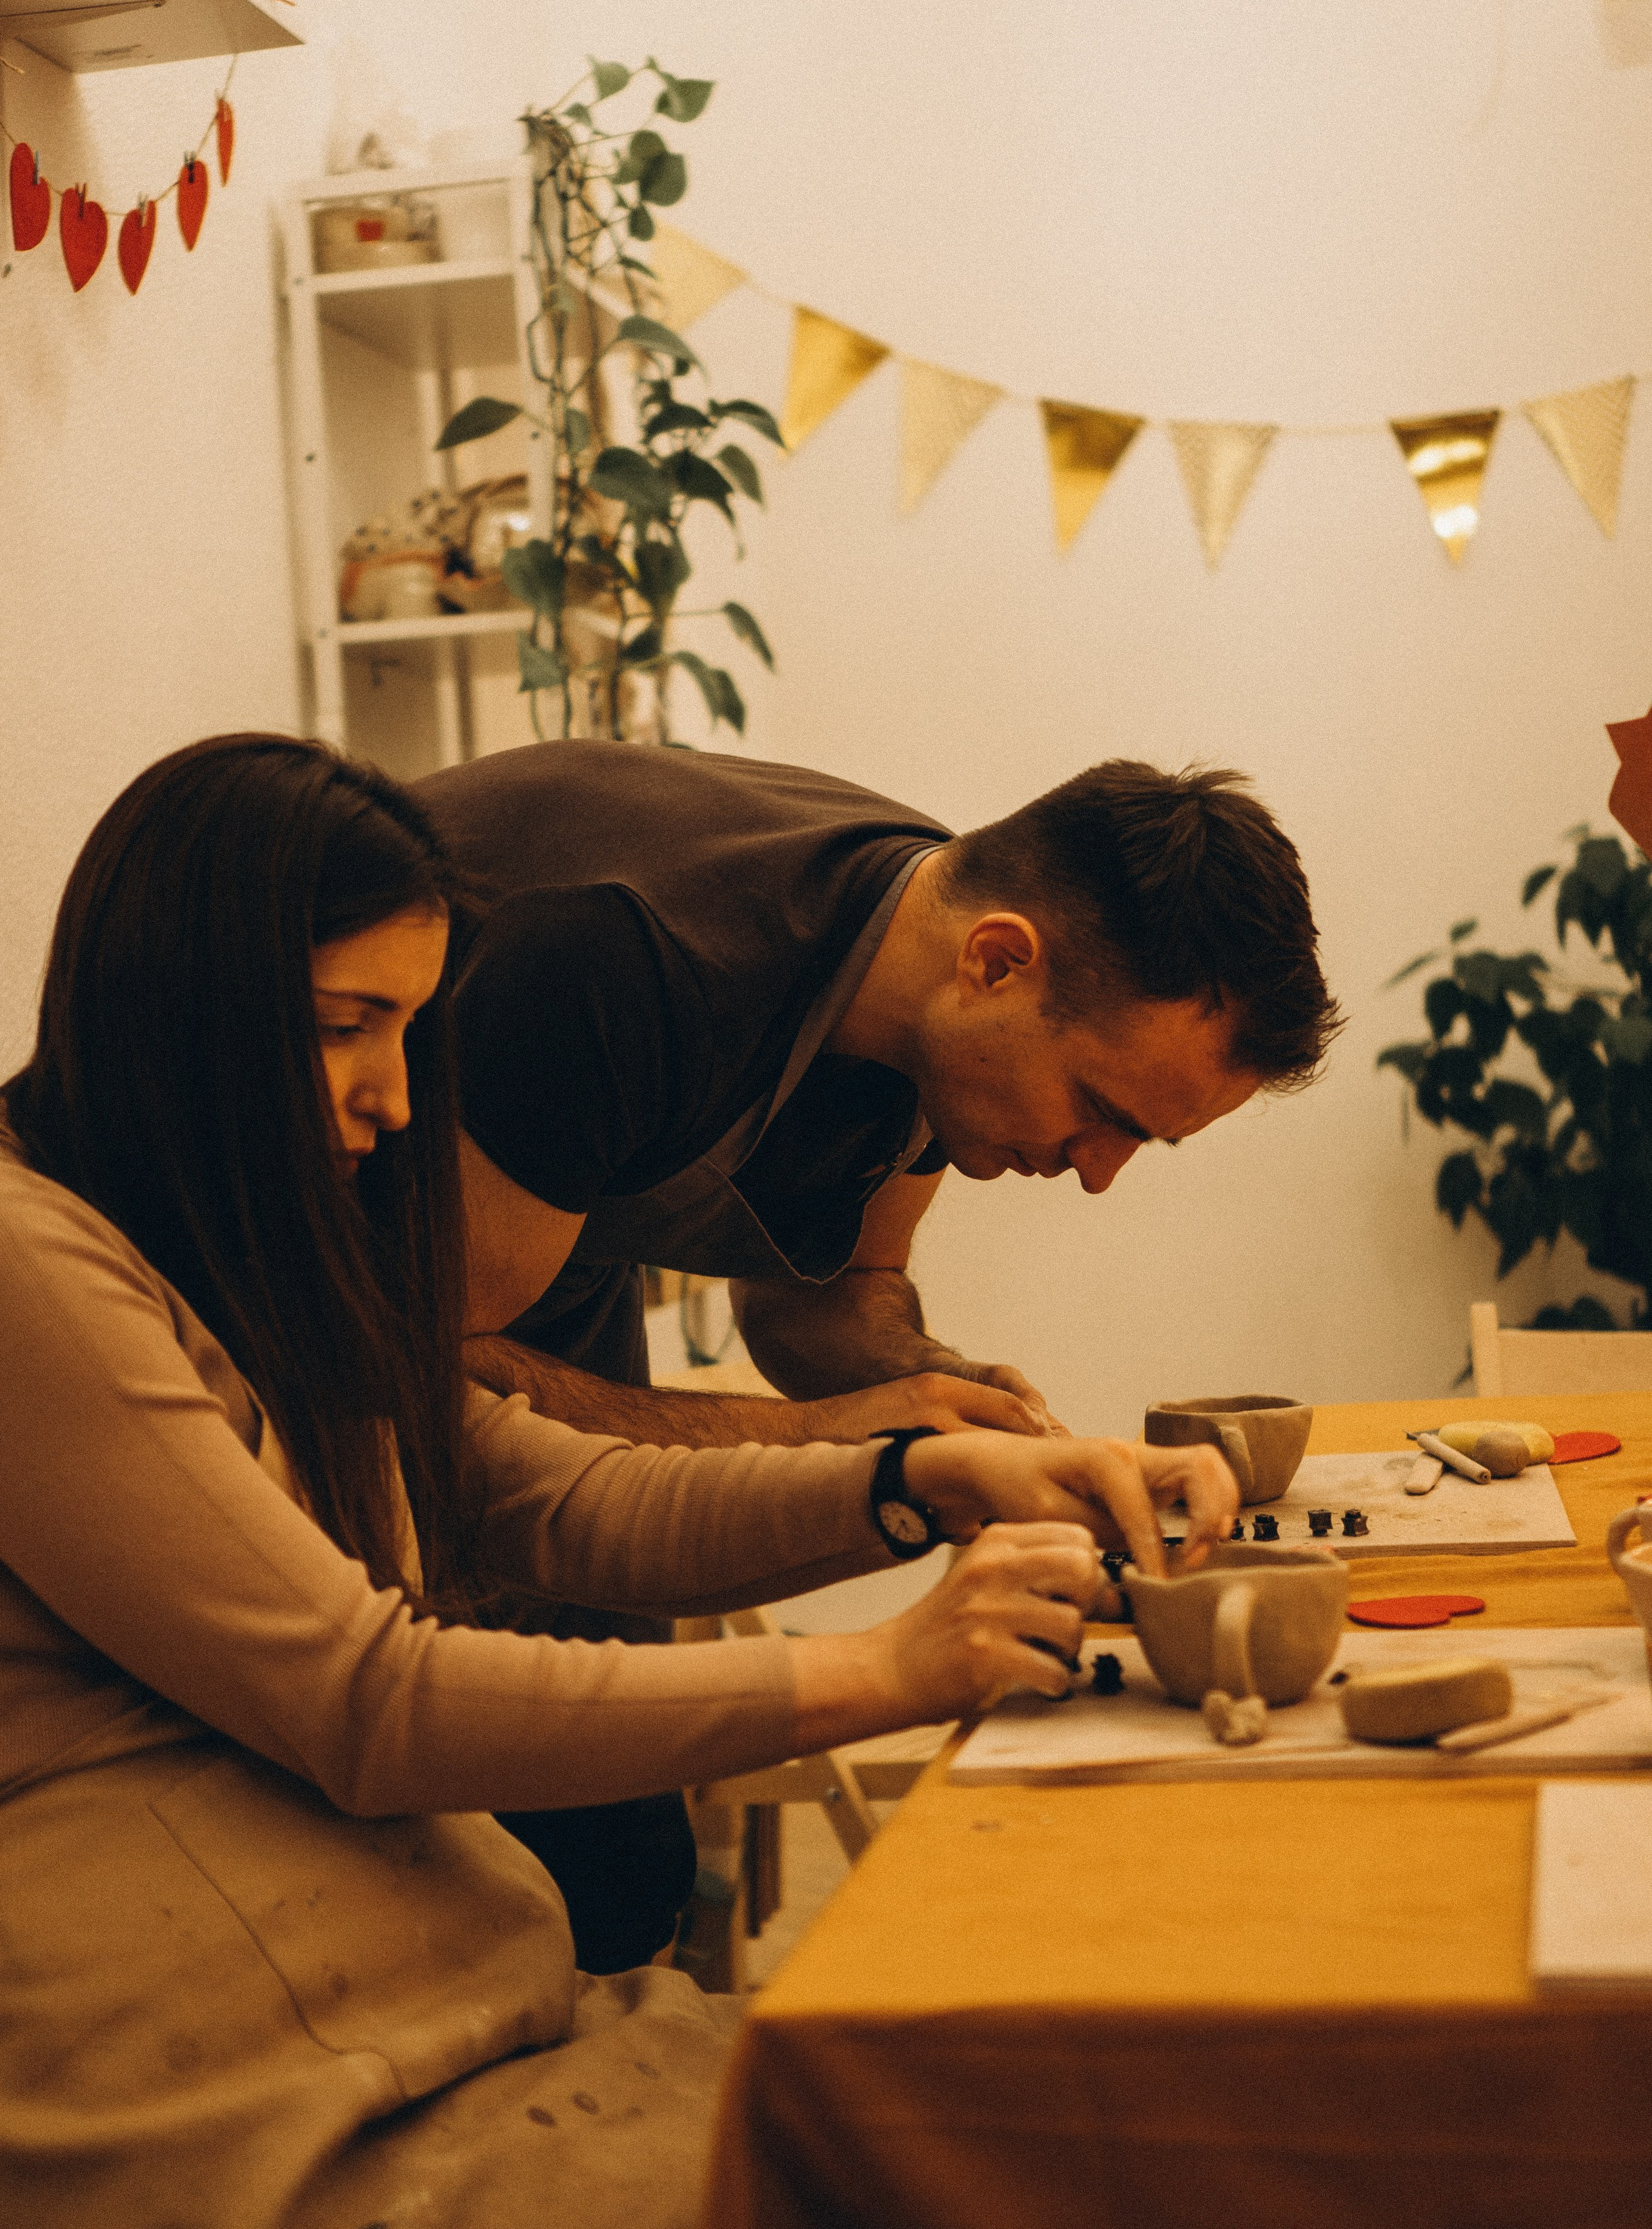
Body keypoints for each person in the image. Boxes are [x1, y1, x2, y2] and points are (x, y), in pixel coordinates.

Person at [0, 732, 1238, 2229]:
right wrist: (890, 1668)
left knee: (1049, 2113)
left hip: (465, 2022)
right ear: (175, 1008)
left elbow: (553, 1495)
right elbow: (363, 1699)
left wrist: (922, 1476)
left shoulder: (240, 1245)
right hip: (271, 2100)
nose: (394, 1104)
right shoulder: (32, 1268)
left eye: (404, 1033)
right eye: (346, 1027)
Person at [414, 740, 1341, 1962]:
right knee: (513, 1867)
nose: (1098, 1174)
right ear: (998, 963)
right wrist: (850, 1439)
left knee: (621, 1854)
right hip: (296, 1298)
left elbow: (825, 1314)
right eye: (1105, 1112)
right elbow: (442, 1369)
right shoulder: (622, 963)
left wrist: (953, 1407)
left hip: (543, 1262)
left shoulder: (927, 992)